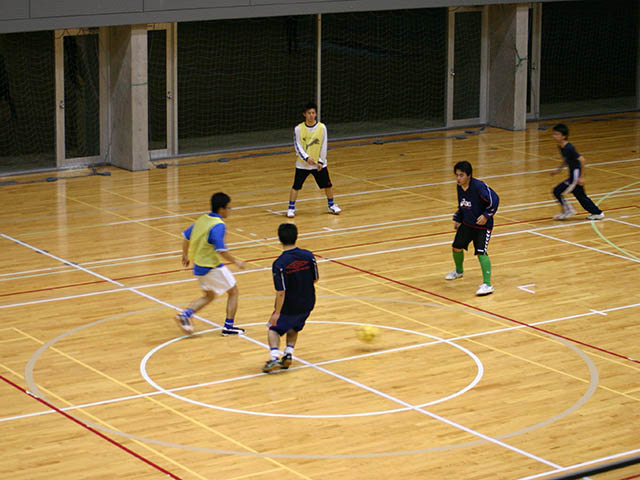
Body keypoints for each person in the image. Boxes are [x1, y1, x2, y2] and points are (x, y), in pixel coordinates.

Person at [175, 192, 246, 335]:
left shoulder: (202, 219)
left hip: (199, 266)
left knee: (209, 295)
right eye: (229, 208)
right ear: (221, 209)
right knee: (233, 291)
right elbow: (221, 250)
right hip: (211, 266)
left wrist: (185, 254)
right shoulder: (218, 226)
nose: (230, 210)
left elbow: (186, 236)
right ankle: (228, 327)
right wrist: (236, 261)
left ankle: (185, 315)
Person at [263, 223, 318, 373]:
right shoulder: (309, 256)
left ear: (279, 239)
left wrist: (277, 313)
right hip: (308, 301)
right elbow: (315, 279)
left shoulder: (279, 264)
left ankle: (274, 358)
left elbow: (281, 291)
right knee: (294, 325)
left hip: (290, 303)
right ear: (296, 237)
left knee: (272, 329)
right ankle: (288, 354)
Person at [445, 161, 499, 296]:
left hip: (482, 226)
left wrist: (486, 215)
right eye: (456, 175)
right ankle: (459, 271)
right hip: (468, 223)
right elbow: (462, 204)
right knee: (456, 247)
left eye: (461, 175)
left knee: (481, 252)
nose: (458, 178)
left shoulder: (479, 187)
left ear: (469, 175)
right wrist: (458, 218)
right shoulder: (459, 187)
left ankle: (487, 284)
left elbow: (495, 200)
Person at [287, 102, 341, 218]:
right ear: (304, 114)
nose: (311, 115)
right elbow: (297, 146)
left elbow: (324, 145)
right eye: (309, 113)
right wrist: (306, 158)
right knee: (296, 186)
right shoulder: (298, 129)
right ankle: (291, 208)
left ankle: (331, 205)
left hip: (318, 165)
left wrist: (321, 161)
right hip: (303, 165)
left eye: (313, 113)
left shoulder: (322, 128)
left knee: (328, 185)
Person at [550, 123, 604, 220]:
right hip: (572, 174)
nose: (554, 136)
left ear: (564, 136)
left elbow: (582, 160)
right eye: (554, 134)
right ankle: (597, 213)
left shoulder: (569, 147)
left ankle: (568, 210)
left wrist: (581, 177)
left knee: (557, 191)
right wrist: (558, 170)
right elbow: (566, 159)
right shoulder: (560, 146)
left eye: (557, 134)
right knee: (580, 195)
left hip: (575, 175)